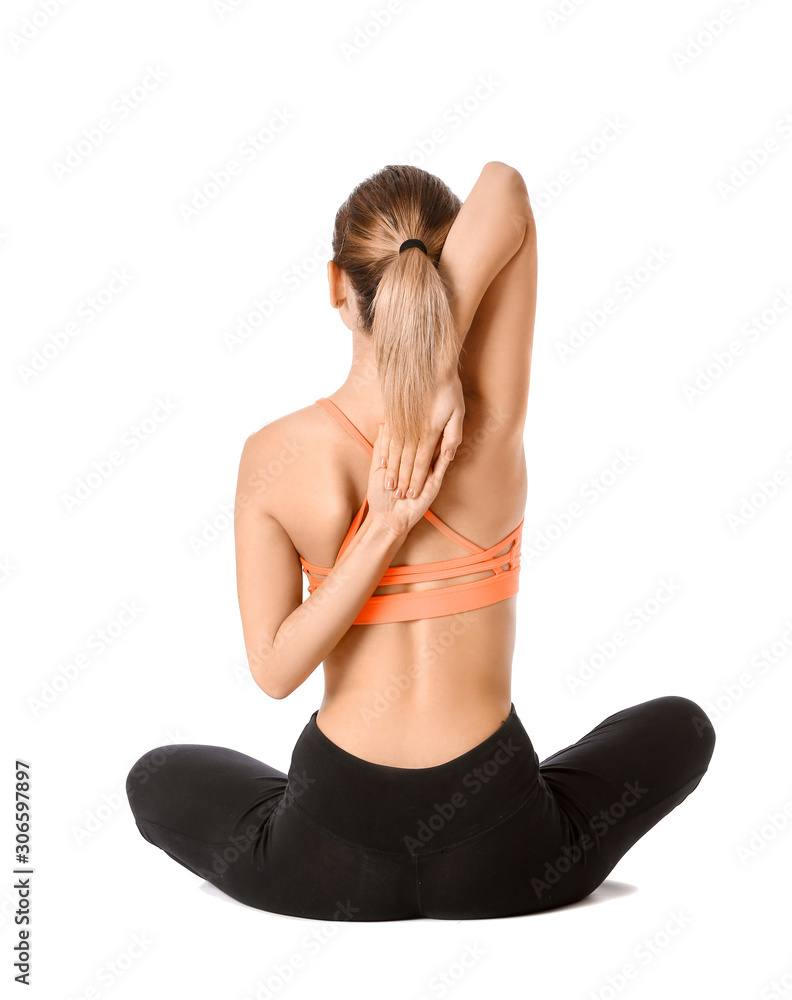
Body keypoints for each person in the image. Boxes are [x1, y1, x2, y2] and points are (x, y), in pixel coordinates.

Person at [126, 162, 716, 920]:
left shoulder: (274, 455)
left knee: (158, 775)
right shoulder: (489, 427)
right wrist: (427, 414)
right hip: (504, 851)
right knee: (681, 725)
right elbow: (505, 189)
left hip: (327, 852)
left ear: (337, 286)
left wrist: (374, 534)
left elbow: (275, 673)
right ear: (443, 282)